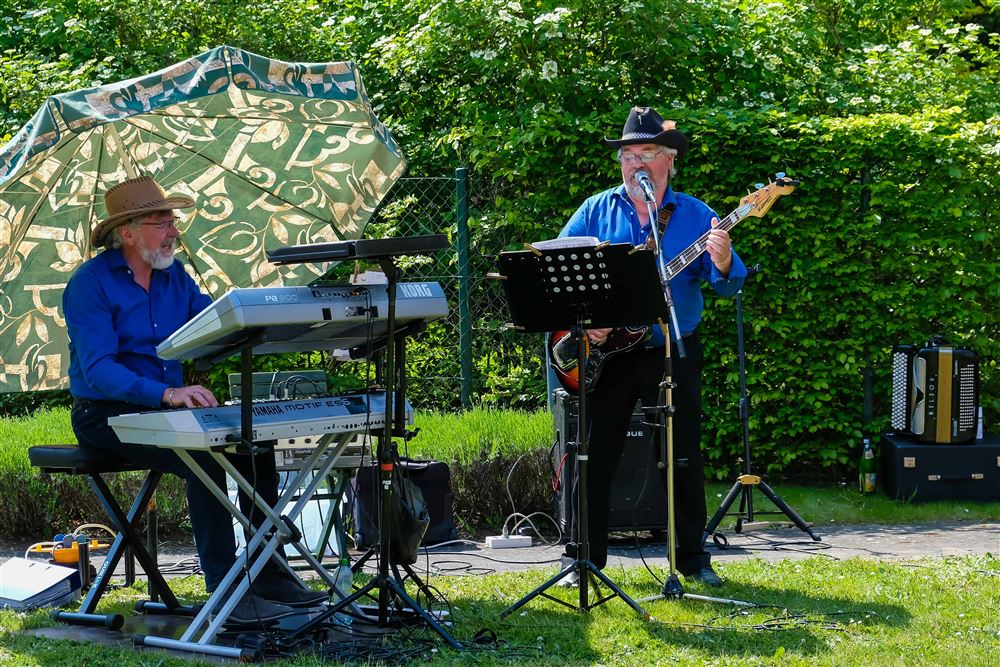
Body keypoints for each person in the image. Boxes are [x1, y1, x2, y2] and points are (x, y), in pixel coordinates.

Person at [63, 175, 328, 623]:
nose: (174, 231)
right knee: (204, 461)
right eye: (161, 221)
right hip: (104, 414)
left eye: (173, 219)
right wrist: (168, 393)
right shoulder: (90, 284)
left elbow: (210, 325)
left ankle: (266, 572)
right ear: (126, 233)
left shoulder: (177, 277)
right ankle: (226, 591)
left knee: (253, 445)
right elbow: (99, 371)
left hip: (167, 411)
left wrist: (257, 320)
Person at [556, 107, 748, 587]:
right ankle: (582, 560)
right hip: (609, 357)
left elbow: (727, 285)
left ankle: (692, 559)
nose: (636, 163)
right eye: (628, 155)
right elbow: (557, 274)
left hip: (673, 349)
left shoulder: (697, 215)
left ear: (668, 161)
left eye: (647, 153)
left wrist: (722, 261)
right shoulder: (595, 210)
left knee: (683, 455)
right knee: (593, 453)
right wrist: (587, 323)